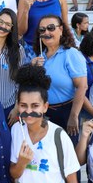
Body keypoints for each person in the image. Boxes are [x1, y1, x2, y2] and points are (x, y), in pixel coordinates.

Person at [10, 64, 81, 183]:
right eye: (23, 105)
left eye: (35, 106)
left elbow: (72, 181)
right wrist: (22, 162)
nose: (29, 111)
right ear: (18, 105)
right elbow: (14, 174)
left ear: (45, 106)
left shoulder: (58, 135)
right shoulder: (16, 130)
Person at [31, 15, 88, 146]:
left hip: (66, 112)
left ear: (61, 30)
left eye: (51, 28)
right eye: (42, 30)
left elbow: (82, 86)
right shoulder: (39, 57)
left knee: (67, 156)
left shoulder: (71, 54)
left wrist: (74, 116)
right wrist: (32, 68)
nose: (46, 32)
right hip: (43, 114)